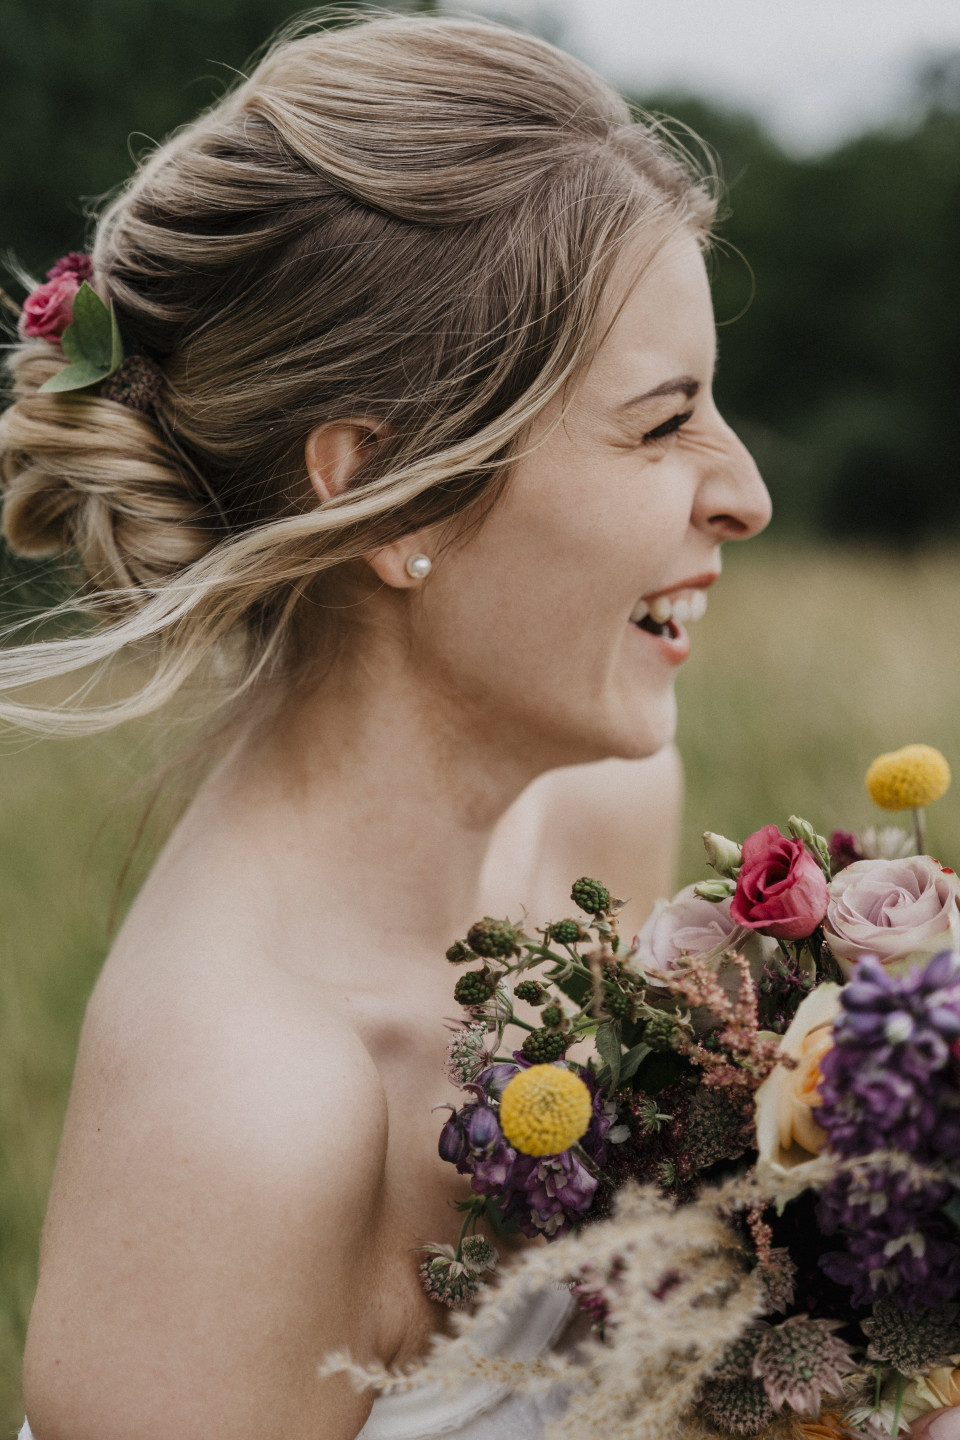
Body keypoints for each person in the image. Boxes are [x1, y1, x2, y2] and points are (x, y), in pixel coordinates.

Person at [0, 13, 781, 1439]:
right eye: (664, 422)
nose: (743, 494)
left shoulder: (597, 820)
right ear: (397, 490)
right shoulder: (241, 1119)